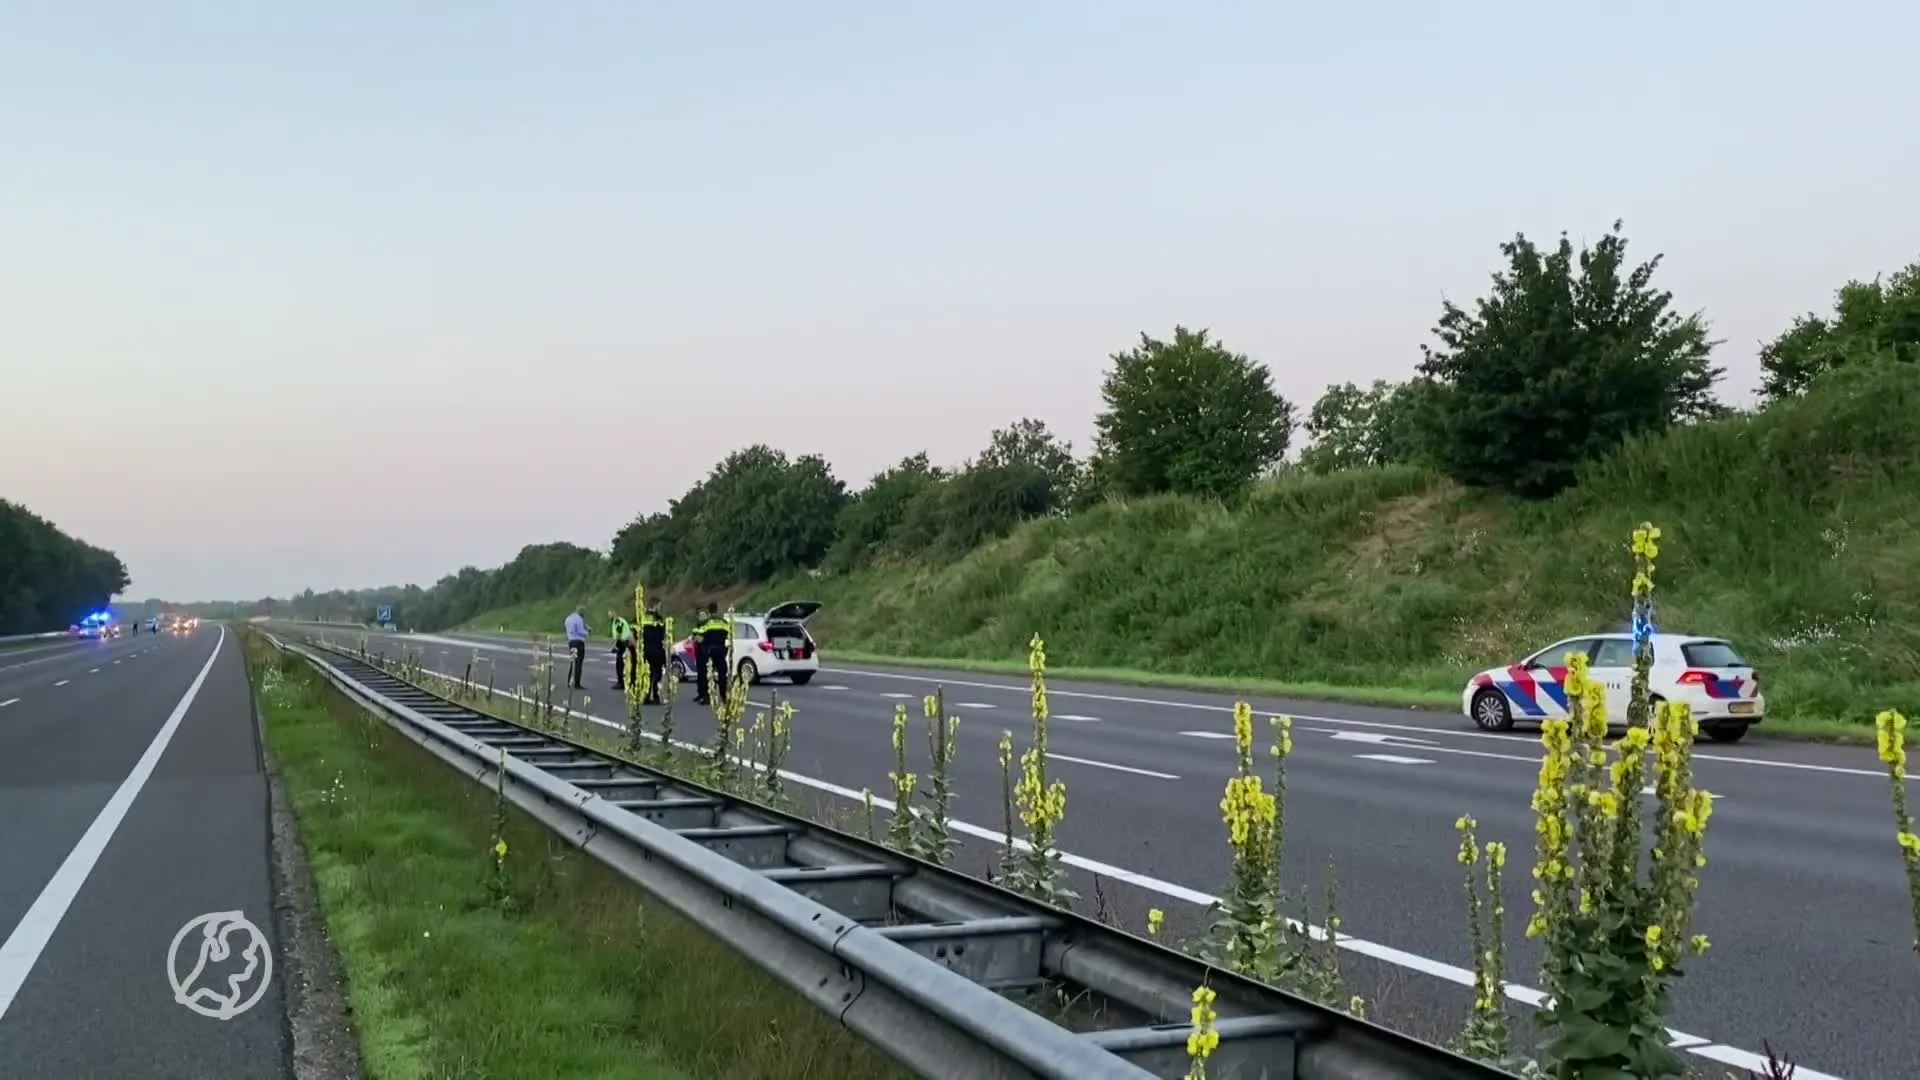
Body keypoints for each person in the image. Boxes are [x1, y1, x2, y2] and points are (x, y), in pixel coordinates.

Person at [692, 603, 732, 706]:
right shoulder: (724, 623)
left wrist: (703, 640)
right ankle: (724, 697)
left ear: (708, 612)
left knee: (708, 675)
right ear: (717, 610)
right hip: (721, 651)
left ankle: (707, 697)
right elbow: (729, 634)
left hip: (709, 651)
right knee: (722, 675)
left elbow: (698, 636)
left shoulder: (706, 623)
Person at [639, 600, 668, 704]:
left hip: (646, 649)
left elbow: (639, 633)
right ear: (655, 606)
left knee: (647, 673)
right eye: (659, 605)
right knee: (657, 673)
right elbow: (664, 634)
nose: (660, 607)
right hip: (657, 649)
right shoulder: (658, 618)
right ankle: (655, 696)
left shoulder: (642, 617)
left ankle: (646, 696)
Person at [607, 608, 635, 690]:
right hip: (623, 642)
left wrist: (615, 644)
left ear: (614, 613)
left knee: (620, 663)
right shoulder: (616, 621)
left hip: (623, 642)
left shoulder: (618, 621)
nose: (608, 615)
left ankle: (621, 682)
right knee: (619, 663)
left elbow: (619, 632)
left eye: (610, 613)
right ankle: (621, 681)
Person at [563, 606, 588, 689]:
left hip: (571, 642)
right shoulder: (579, 619)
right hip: (578, 642)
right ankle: (576, 683)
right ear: (581, 613)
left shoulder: (568, 618)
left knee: (572, 662)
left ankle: (569, 681)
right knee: (578, 662)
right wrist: (587, 632)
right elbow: (580, 631)